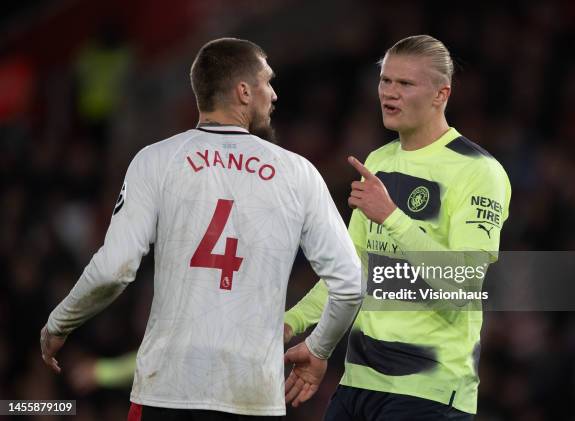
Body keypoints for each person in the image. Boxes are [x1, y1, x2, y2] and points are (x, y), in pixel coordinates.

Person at [40, 37, 365, 420]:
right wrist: (319, 350)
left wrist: (60, 322)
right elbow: (350, 282)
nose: (274, 94)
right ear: (244, 91)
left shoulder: (156, 160)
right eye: (267, 82)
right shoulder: (298, 173)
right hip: (253, 396)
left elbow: (115, 268)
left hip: (168, 391)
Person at [284, 35, 511, 420]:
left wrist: (391, 216)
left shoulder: (478, 171)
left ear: (442, 94)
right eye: (385, 81)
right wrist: (291, 325)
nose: (390, 93)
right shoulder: (379, 161)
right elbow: (350, 274)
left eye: (405, 84)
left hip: (430, 391)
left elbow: (464, 281)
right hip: (359, 384)